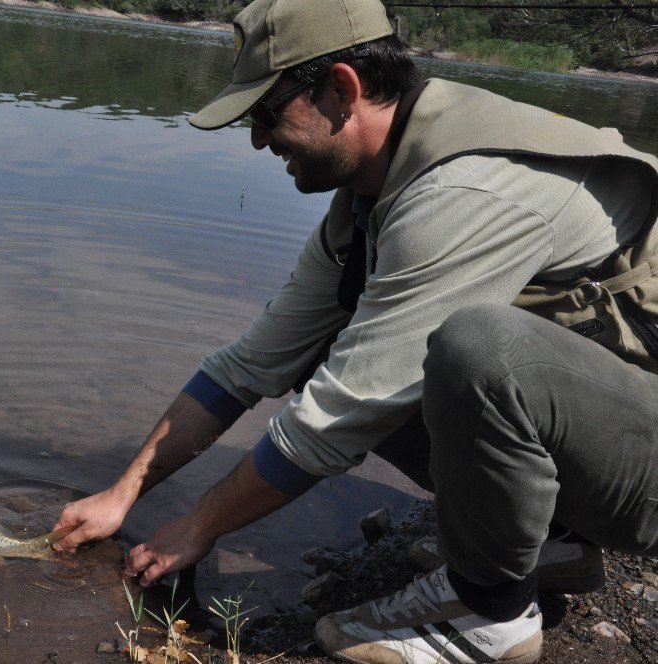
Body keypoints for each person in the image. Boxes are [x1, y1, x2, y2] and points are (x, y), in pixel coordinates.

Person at [54, 0, 658, 661]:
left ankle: (492, 615)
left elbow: (339, 413)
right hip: (615, 423)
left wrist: (195, 528)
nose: (258, 139)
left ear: (342, 89)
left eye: (266, 114)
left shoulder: (460, 192)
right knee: (345, 343)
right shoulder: (375, 194)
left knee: (480, 350)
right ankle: (554, 542)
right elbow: (253, 362)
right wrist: (122, 494)